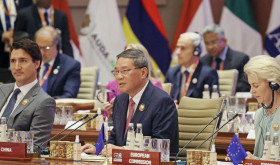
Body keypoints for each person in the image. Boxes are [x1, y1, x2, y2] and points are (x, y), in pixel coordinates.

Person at [82, 49, 179, 156]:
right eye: (116, 71)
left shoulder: (162, 101)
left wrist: (123, 151)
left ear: (143, 73)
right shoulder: (120, 100)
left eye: (125, 71)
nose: (119, 76)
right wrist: (100, 149)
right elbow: (116, 139)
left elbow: (160, 146)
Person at [0, 38, 55, 152]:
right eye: (13, 61)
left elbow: (35, 148)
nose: (16, 67)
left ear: (37, 63)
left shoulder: (44, 102)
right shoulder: (1, 90)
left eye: (23, 60)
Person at [226, 55, 280, 161]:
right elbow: (260, 157)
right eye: (250, 85)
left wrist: (255, 160)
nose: (251, 91)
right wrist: (243, 158)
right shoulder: (260, 114)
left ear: (274, 84)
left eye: (256, 85)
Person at [104, 43, 162, 119]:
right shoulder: (112, 85)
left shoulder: (155, 87)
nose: (119, 76)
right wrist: (110, 114)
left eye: (131, 55)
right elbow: (106, 118)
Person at [165, 32, 219, 104]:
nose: (178, 52)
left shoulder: (208, 74)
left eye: (183, 48)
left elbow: (214, 104)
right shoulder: (171, 72)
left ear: (196, 51)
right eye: (178, 47)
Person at [200, 24, 250, 93]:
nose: (210, 47)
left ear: (224, 41)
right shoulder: (203, 61)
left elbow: (244, 87)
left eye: (213, 42)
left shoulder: (240, 59)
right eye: (207, 43)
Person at [35, 26, 81, 99]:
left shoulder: (71, 66)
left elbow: (69, 96)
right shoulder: (31, 63)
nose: (42, 52)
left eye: (47, 48)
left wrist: (46, 104)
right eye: (38, 47)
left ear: (57, 46)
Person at [0, 0, 33, 68]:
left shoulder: (25, 2)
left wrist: (16, 35)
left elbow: (31, 19)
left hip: (23, 48)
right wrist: (2, 35)